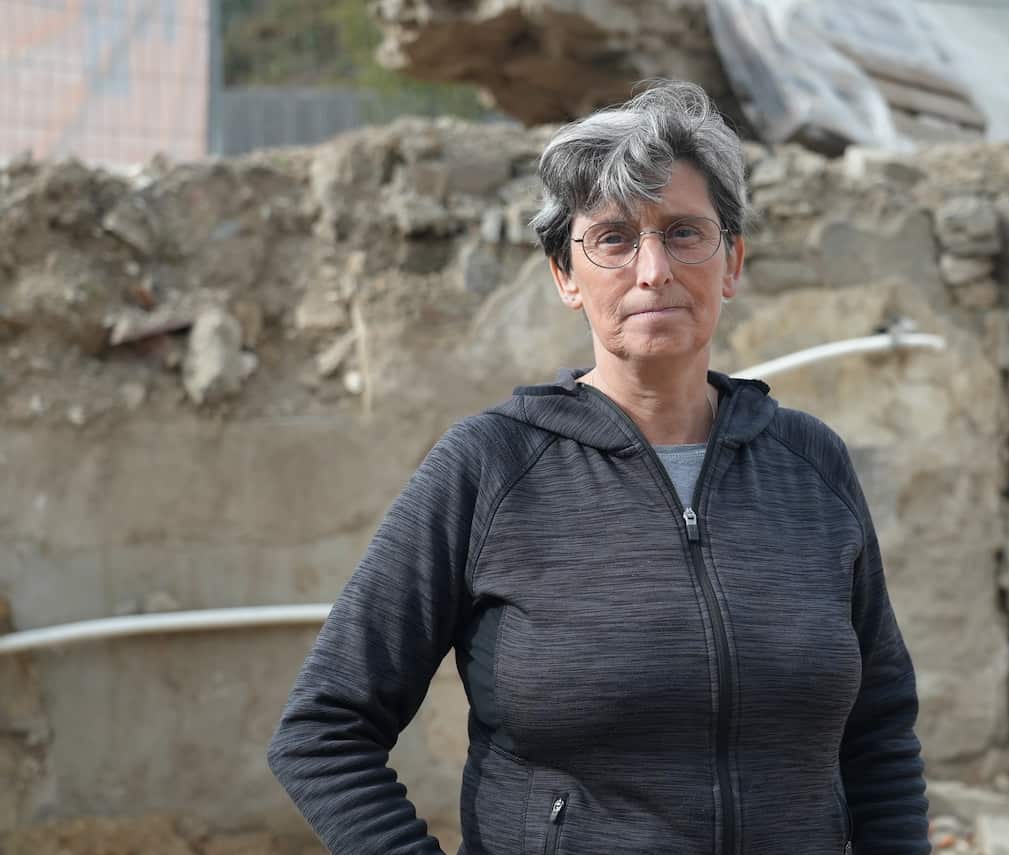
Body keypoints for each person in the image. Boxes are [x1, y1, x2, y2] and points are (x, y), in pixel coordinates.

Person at [268, 79, 929, 855]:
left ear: (732, 262)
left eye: (684, 233)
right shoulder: (490, 469)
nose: (653, 269)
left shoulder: (809, 465)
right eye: (613, 239)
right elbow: (322, 730)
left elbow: (881, 735)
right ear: (565, 276)